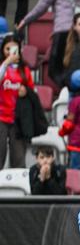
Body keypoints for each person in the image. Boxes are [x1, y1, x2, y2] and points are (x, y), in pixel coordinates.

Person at [0, 35, 32, 168]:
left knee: (18, 157)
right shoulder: (2, 67)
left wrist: (26, 92)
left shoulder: (24, 70)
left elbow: (32, 93)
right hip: (1, 117)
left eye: (14, 48)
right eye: (7, 49)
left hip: (18, 119)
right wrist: (6, 63)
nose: (10, 52)